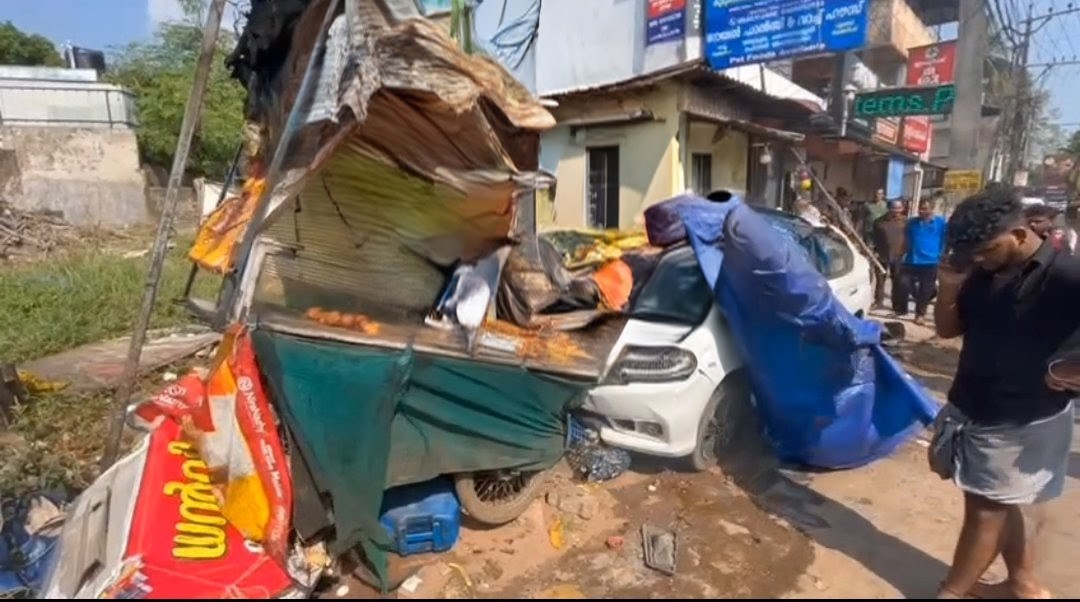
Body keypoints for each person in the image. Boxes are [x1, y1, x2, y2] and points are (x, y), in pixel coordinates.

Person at [930, 187, 1080, 599]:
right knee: (994, 501)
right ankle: (1022, 584)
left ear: (1018, 234)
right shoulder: (983, 271)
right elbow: (948, 330)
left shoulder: (1065, 275)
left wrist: (1070, 368)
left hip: (1021, 417)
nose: (979, 258)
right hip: (975, 404)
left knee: (985, 511)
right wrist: (948, 287)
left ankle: (952, 592)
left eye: (987, 249)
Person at [900, 199, 947, 323]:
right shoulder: (912, 223)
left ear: (932, 209)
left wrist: (943, 256)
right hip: (911, 260)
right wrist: (901, 254)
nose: (922, 211)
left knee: (925, 289)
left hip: (930, 262)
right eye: (921, 208)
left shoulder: (940, 223)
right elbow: (905, 240)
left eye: (925, 208)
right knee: (904, 283)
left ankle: (920, 314)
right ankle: (928, 295)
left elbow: (945, 241)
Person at [871, 200, 907, 311]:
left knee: (897, 281)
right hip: (882, 255)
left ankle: (896, 305)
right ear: (889, 209)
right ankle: (878, 301)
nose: (896, 211)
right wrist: (873, 250)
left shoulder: (906, 222)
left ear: (902, 209)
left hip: (899, 255)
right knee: (880, 280)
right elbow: (874, 238)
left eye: (898, 208)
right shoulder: (879, 222)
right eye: (893, 209)